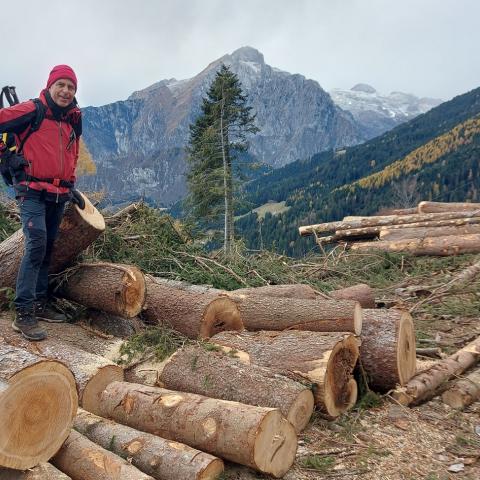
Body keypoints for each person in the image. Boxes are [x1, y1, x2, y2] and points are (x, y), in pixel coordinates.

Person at [0, 65, 83, 341]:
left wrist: (70, 184)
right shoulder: (32, 110)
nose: (65, 91)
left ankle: (39, 303)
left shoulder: (73, 119)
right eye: (61, 84)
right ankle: (23, 313)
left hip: (57, 193)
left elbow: (72, 153)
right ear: (50, 86)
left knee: (47, 247)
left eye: (70, 87)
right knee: (36, 244)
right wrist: (6, 158)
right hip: (30, 189)